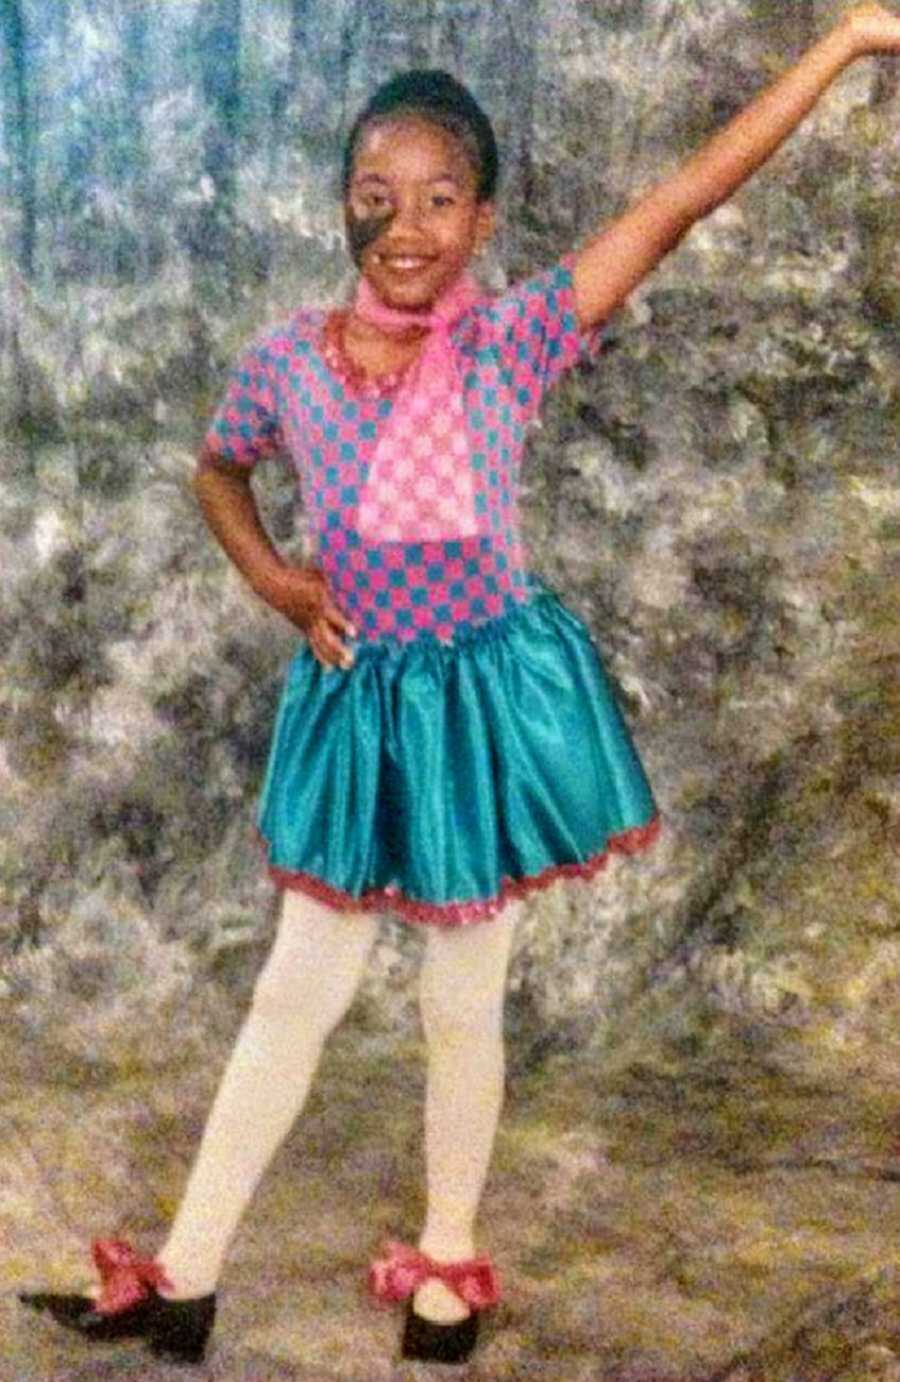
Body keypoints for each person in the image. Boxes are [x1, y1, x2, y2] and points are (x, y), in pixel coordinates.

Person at [20, 4, 900, 1367]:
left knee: (457, 994)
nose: (408, 225)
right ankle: (187, 1273)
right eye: (377, 198)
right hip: (361, 704)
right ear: (343, 211)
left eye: (440, 199)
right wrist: (272, 577)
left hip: (481, 706)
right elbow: (216, 464)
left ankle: (447, 1263)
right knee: (291, 994)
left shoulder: (518, 340)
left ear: (483, 221)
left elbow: (679, 200)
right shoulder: (290, 358)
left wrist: (841, 42)